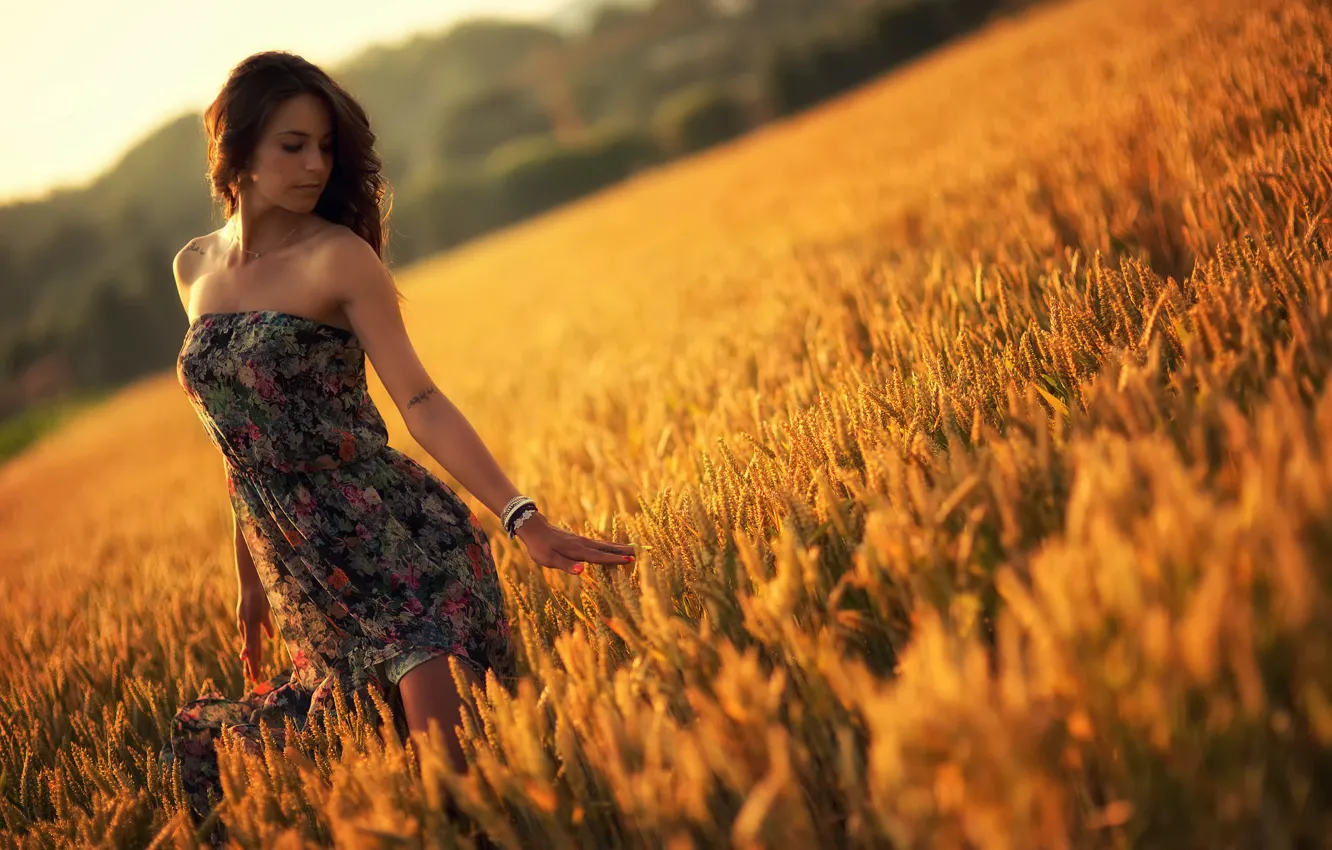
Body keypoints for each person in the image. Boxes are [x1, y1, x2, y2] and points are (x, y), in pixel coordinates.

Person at [162, 50, 637, 840]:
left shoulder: (339, 258)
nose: (316, 163)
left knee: (455, 796)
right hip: (303, 574)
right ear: (236, 150)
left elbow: (419, 399)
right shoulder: (193, 269)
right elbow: (236, 441)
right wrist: (247, 575)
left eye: (325, 147)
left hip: (398, 545)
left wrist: (524, 518)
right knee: (281, 766)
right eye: (293, 145)